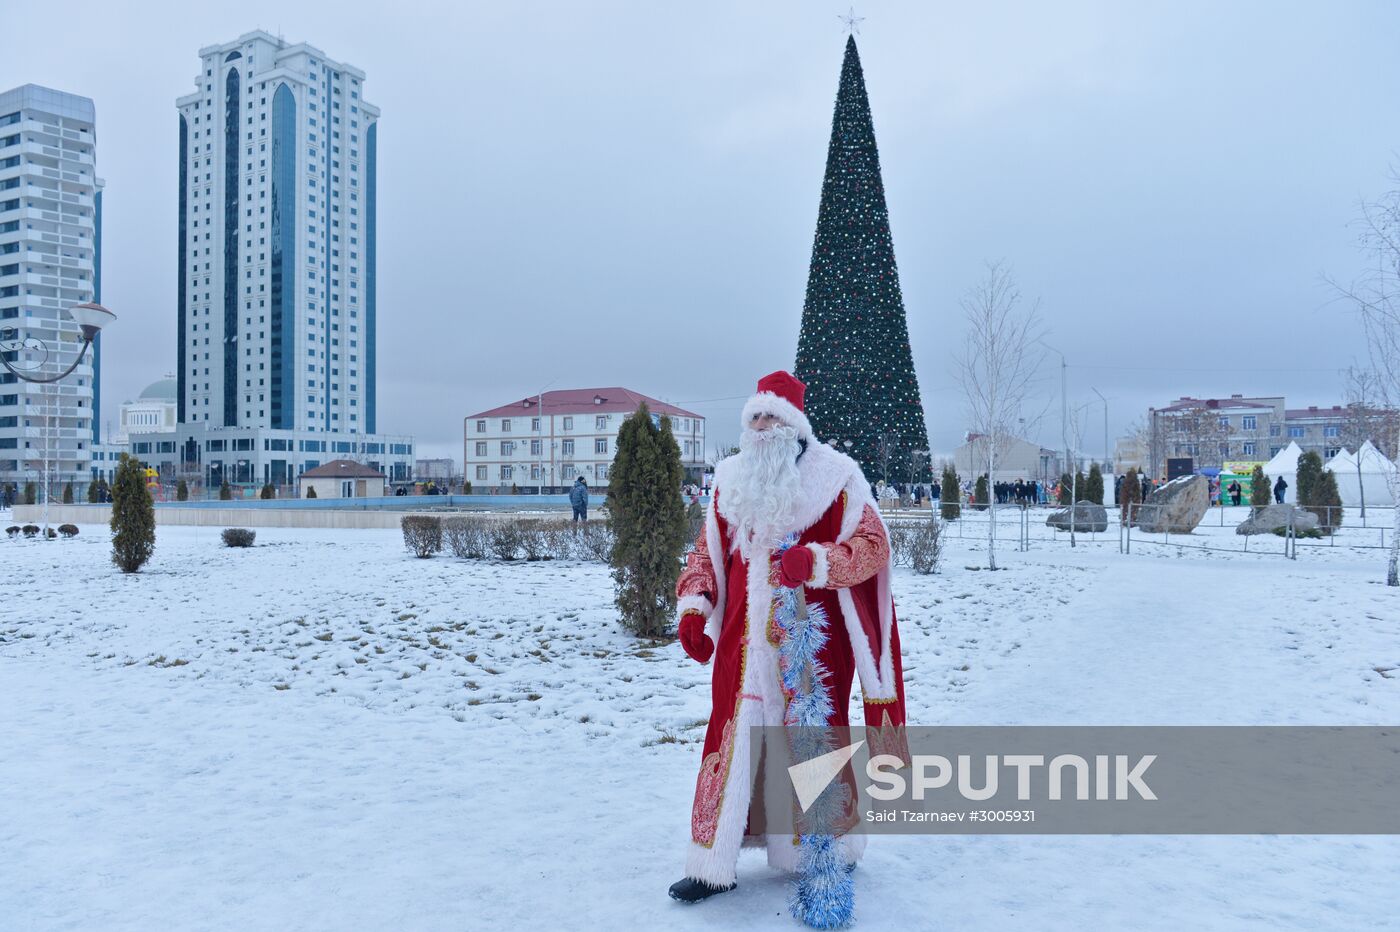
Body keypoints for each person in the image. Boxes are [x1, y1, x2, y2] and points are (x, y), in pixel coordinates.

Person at [668, 370, 908, 904]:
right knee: (730, 743)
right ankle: (712, 864)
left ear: (795, 425)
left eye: (771, 416)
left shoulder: (837, 479)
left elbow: (873, 548)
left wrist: (818, 562)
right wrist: (694, 607)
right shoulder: (730, 479)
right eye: (754, 417)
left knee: (811, 740)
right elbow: (706, 553)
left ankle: (827, 853)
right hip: (742, 648)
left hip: (810, 648)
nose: (761, 425)